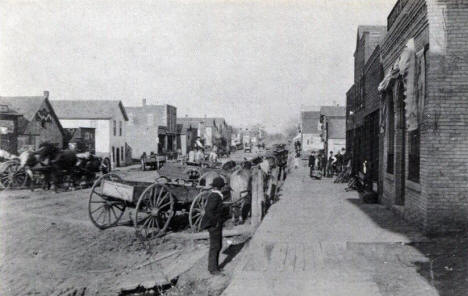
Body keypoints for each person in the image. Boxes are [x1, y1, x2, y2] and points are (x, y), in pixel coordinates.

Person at [200, 177, 225, 275]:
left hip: (215, 223)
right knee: (215, 246)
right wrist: (215, 222)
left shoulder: (215, 195)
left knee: (218, 245)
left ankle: (215, 267)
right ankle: (213, 269)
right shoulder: (215, 196)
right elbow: (209, 211)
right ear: (221, 187)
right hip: (213, 224)